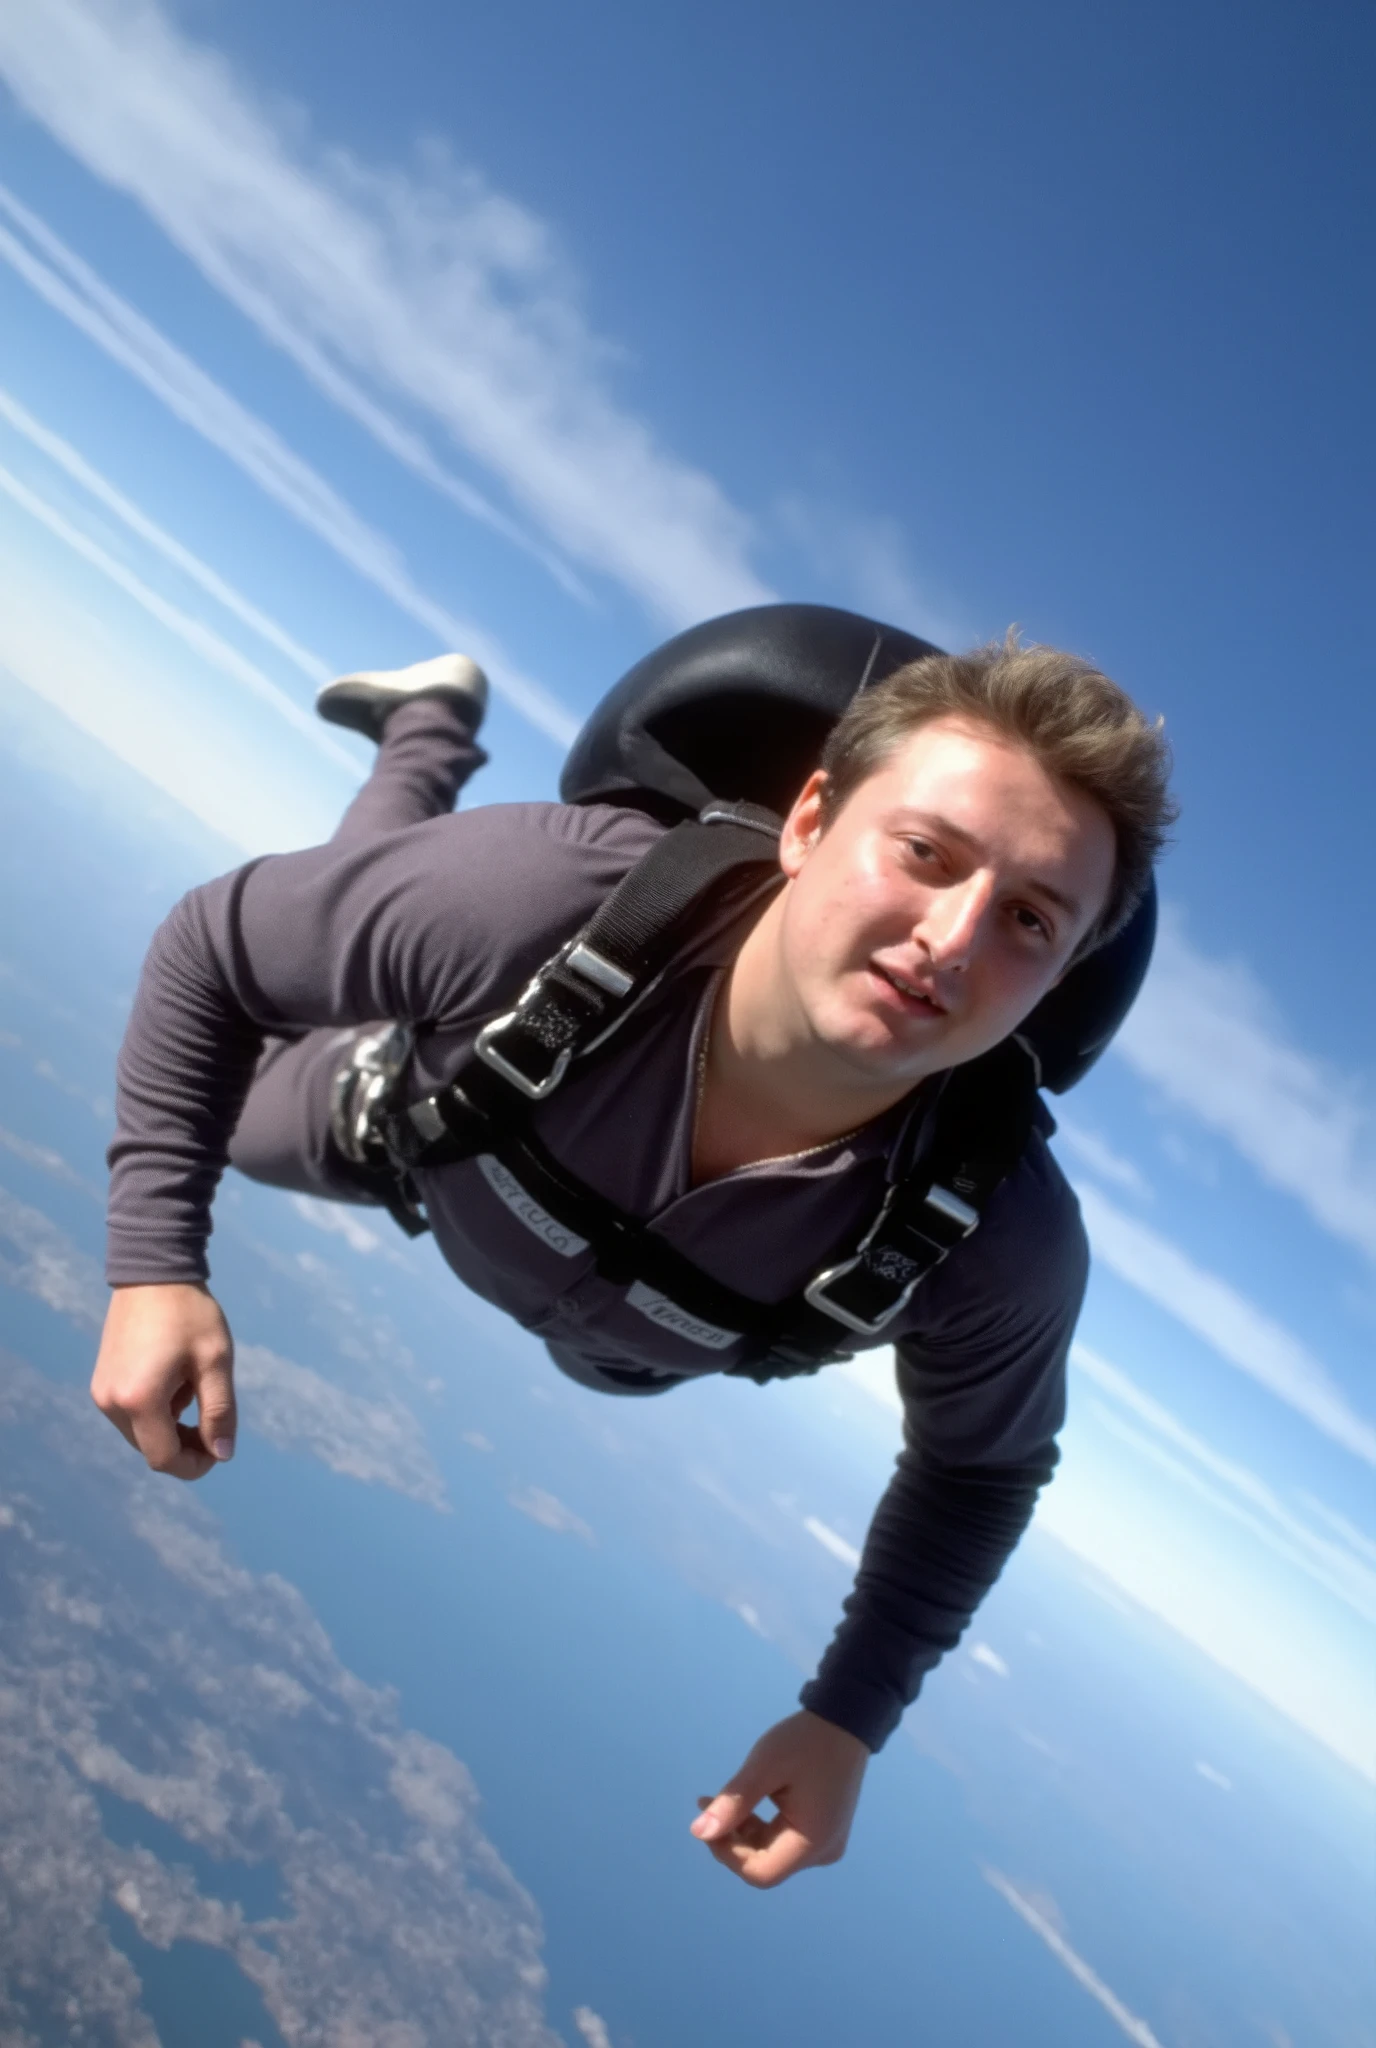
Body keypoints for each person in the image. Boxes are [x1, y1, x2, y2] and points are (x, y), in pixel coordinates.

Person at [90, 629, 1174, 1889]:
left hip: (617, 1344)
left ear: (1052, 986)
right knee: (286, 1003)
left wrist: (845, 1716)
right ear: (809, 818)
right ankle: (431, 725)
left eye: (1029, 919)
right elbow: (221, 951)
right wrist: (154, 1259)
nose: (950, 936)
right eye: (923, 851)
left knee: (600, 1355)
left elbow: (980, 1468)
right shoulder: (534, 904)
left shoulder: (993, 1237)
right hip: (403, 1130)